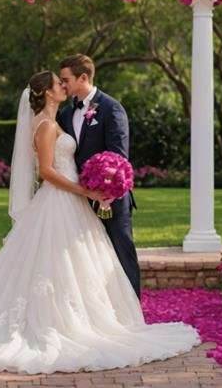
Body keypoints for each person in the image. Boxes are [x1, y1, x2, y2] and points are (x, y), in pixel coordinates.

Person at [0, 70, 199, 375]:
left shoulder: (58, 119)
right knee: (56, 263)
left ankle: (92, 317)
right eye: (59, 83)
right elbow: (46, 171)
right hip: (60, 199)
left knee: (78, 260)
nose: (64, 86)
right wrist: (83, 189)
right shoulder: (44, 125)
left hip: (72, 200)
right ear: (47, 92)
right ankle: (57, 321)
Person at [56, 53, 141, 298]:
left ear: (83, 78)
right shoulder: (66, 112)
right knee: (87, 258)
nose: (62, 85)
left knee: (120, 251)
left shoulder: (111, 108)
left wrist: (105, 190)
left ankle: (132, 309)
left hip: (110, 198)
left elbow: (118, 156)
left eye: (66, 79)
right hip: (79, 199)